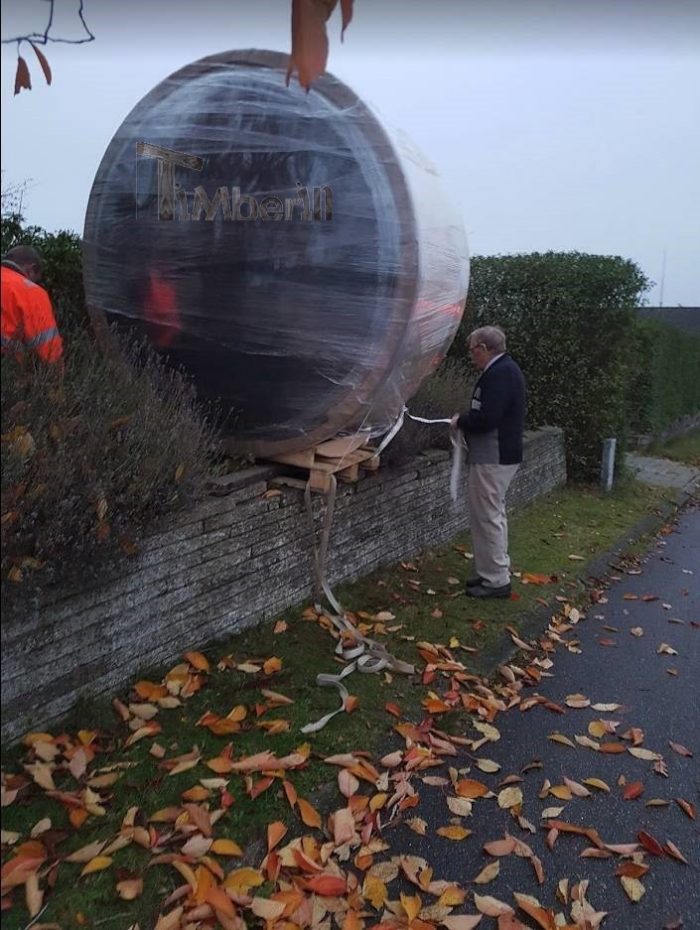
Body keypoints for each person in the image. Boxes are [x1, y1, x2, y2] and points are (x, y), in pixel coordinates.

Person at [450, 325, 526, 599]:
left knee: (488, 517)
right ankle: (491, 572)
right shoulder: (504, 370)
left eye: (473, 351)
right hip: (497, 455)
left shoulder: (500, 374)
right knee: (493, 515)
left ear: (483, 348)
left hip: (493, 457)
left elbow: (487, 418)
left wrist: (461, 421)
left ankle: (496, 581)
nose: (472, 357)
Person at [1, 245, 63, 364]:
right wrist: (56, 376)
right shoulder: (30, 291)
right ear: (31, 269)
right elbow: (48, 348)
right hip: (8, 371)